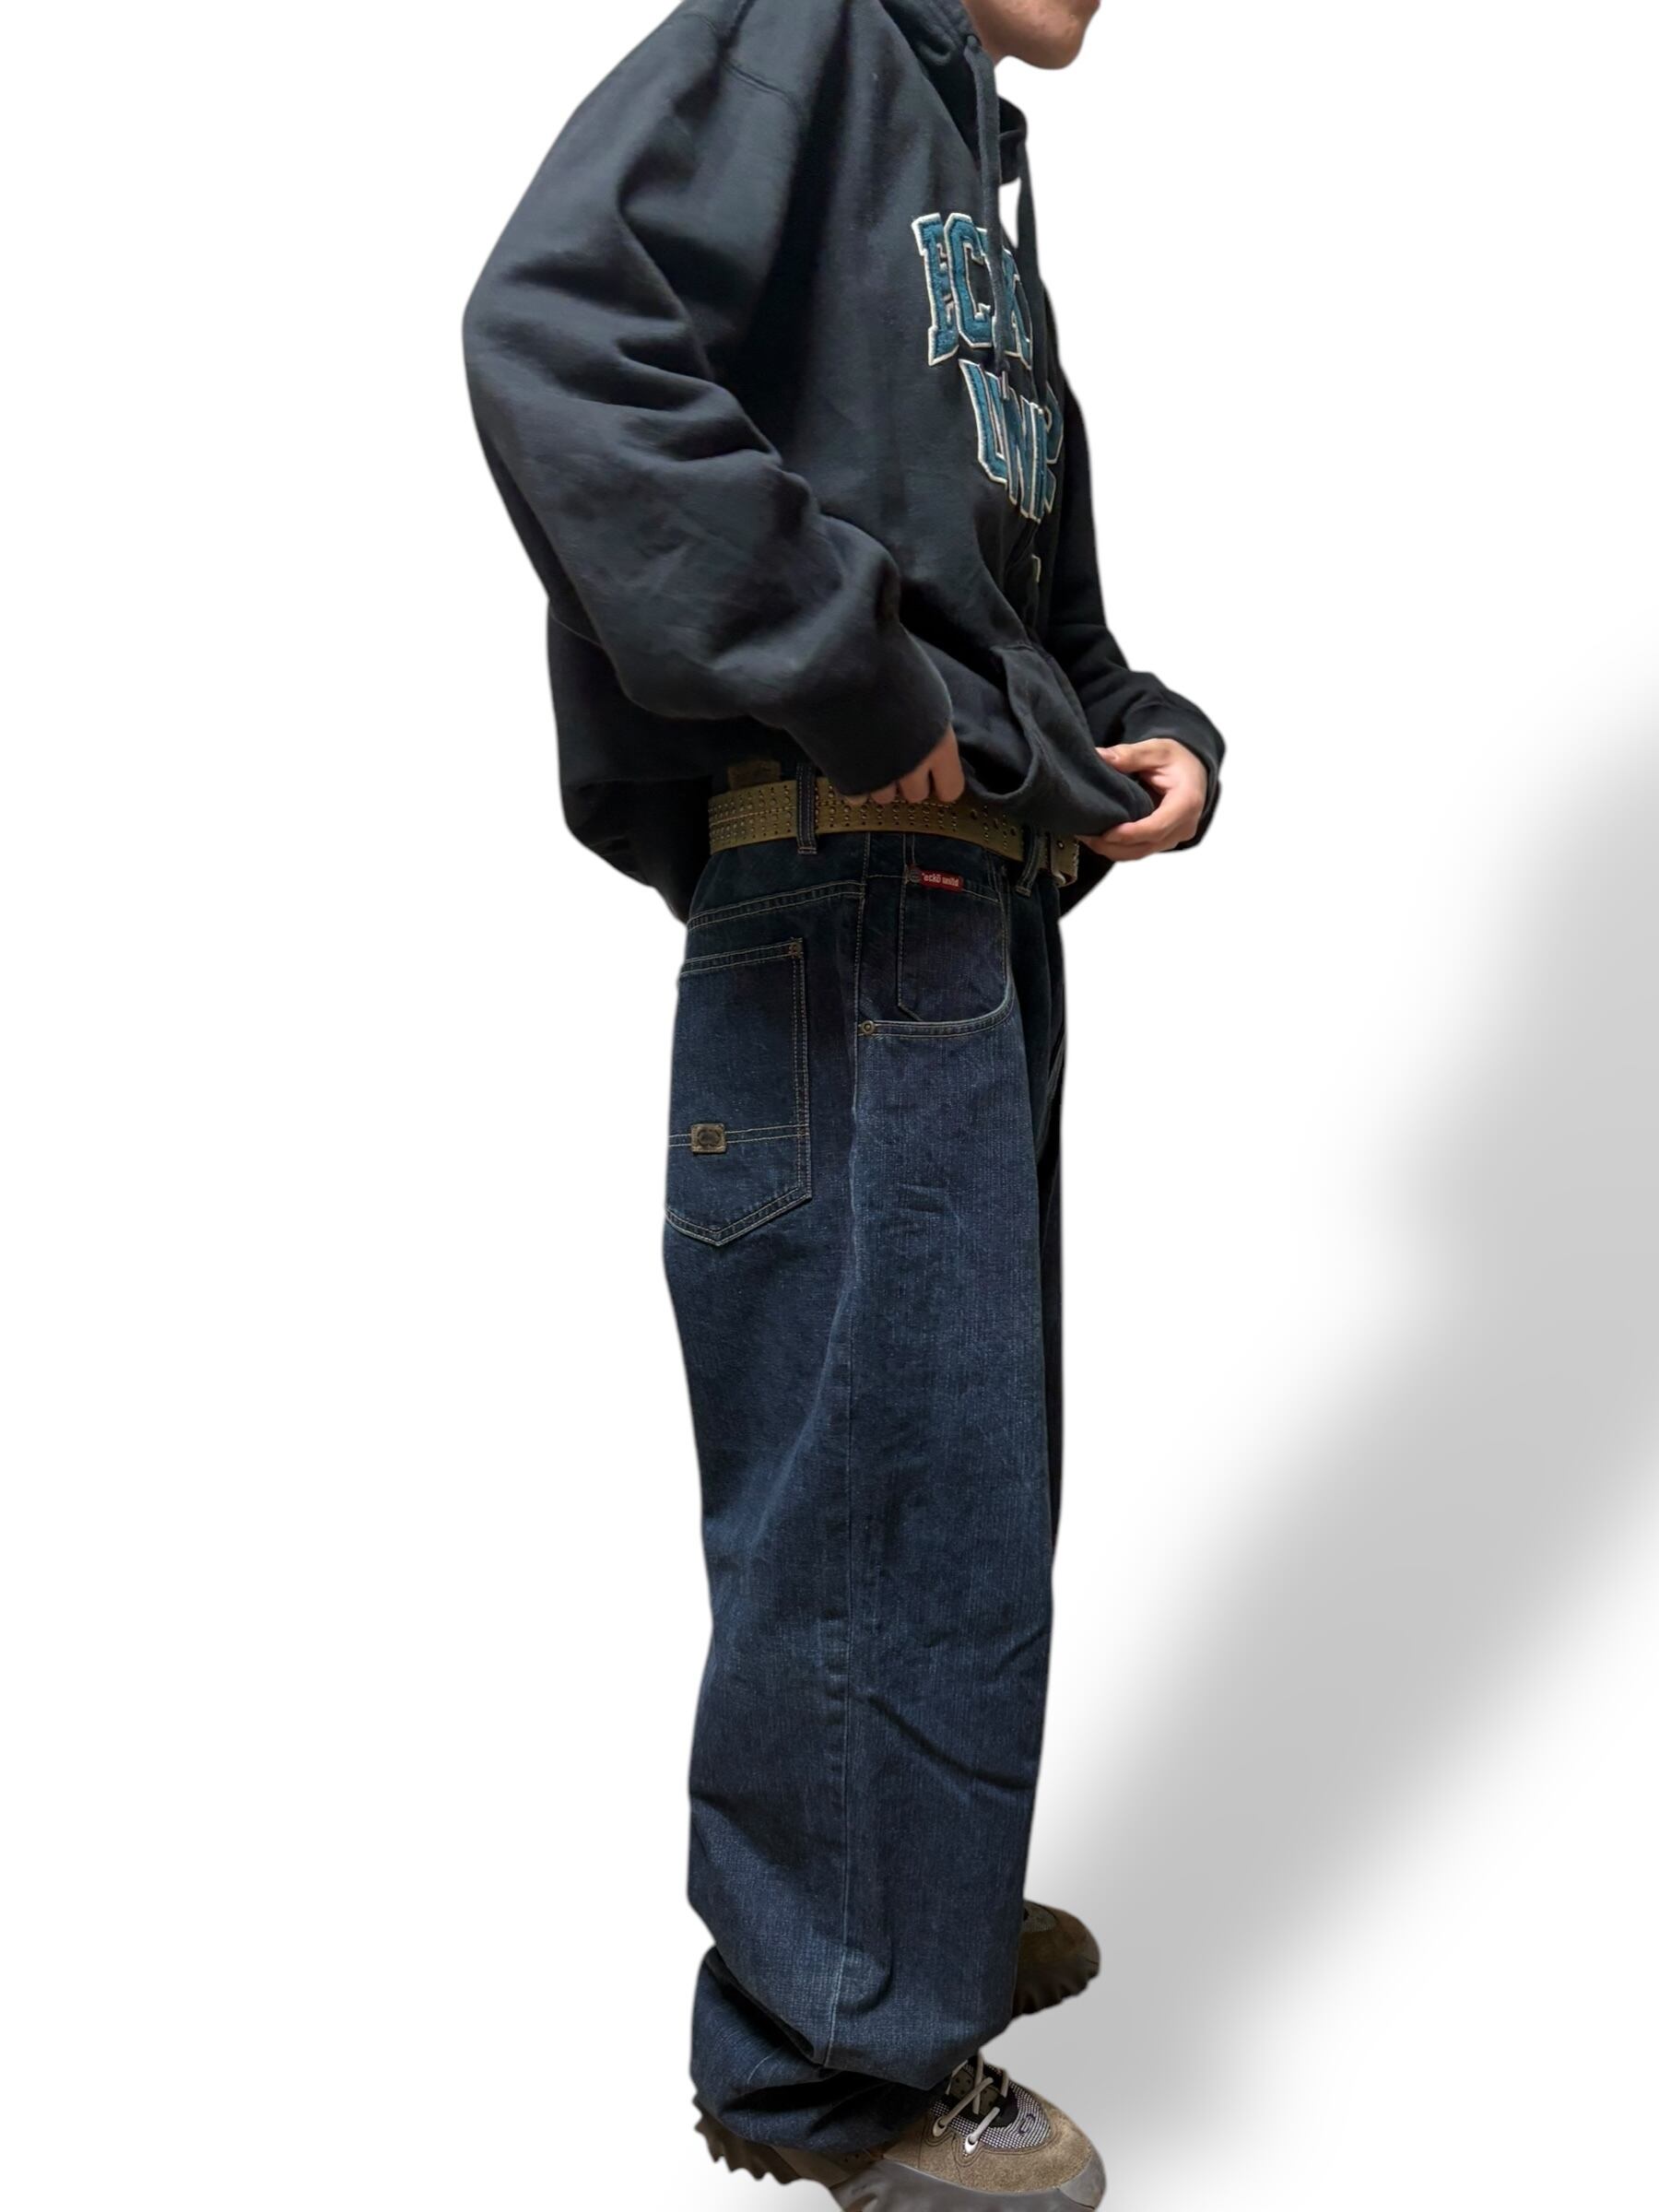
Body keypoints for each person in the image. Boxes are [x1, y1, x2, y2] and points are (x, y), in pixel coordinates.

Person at [463, 0, 1224, 2199]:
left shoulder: (968, 181)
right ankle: (833, 2063)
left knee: (958, 1477)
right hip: (851, 895)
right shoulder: (805, 33)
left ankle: (904, 1911)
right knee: (872, 1487)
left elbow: (1023, 608)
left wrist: (1150, 734)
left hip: (967, 905)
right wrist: (848, 676)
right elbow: (558, 332)